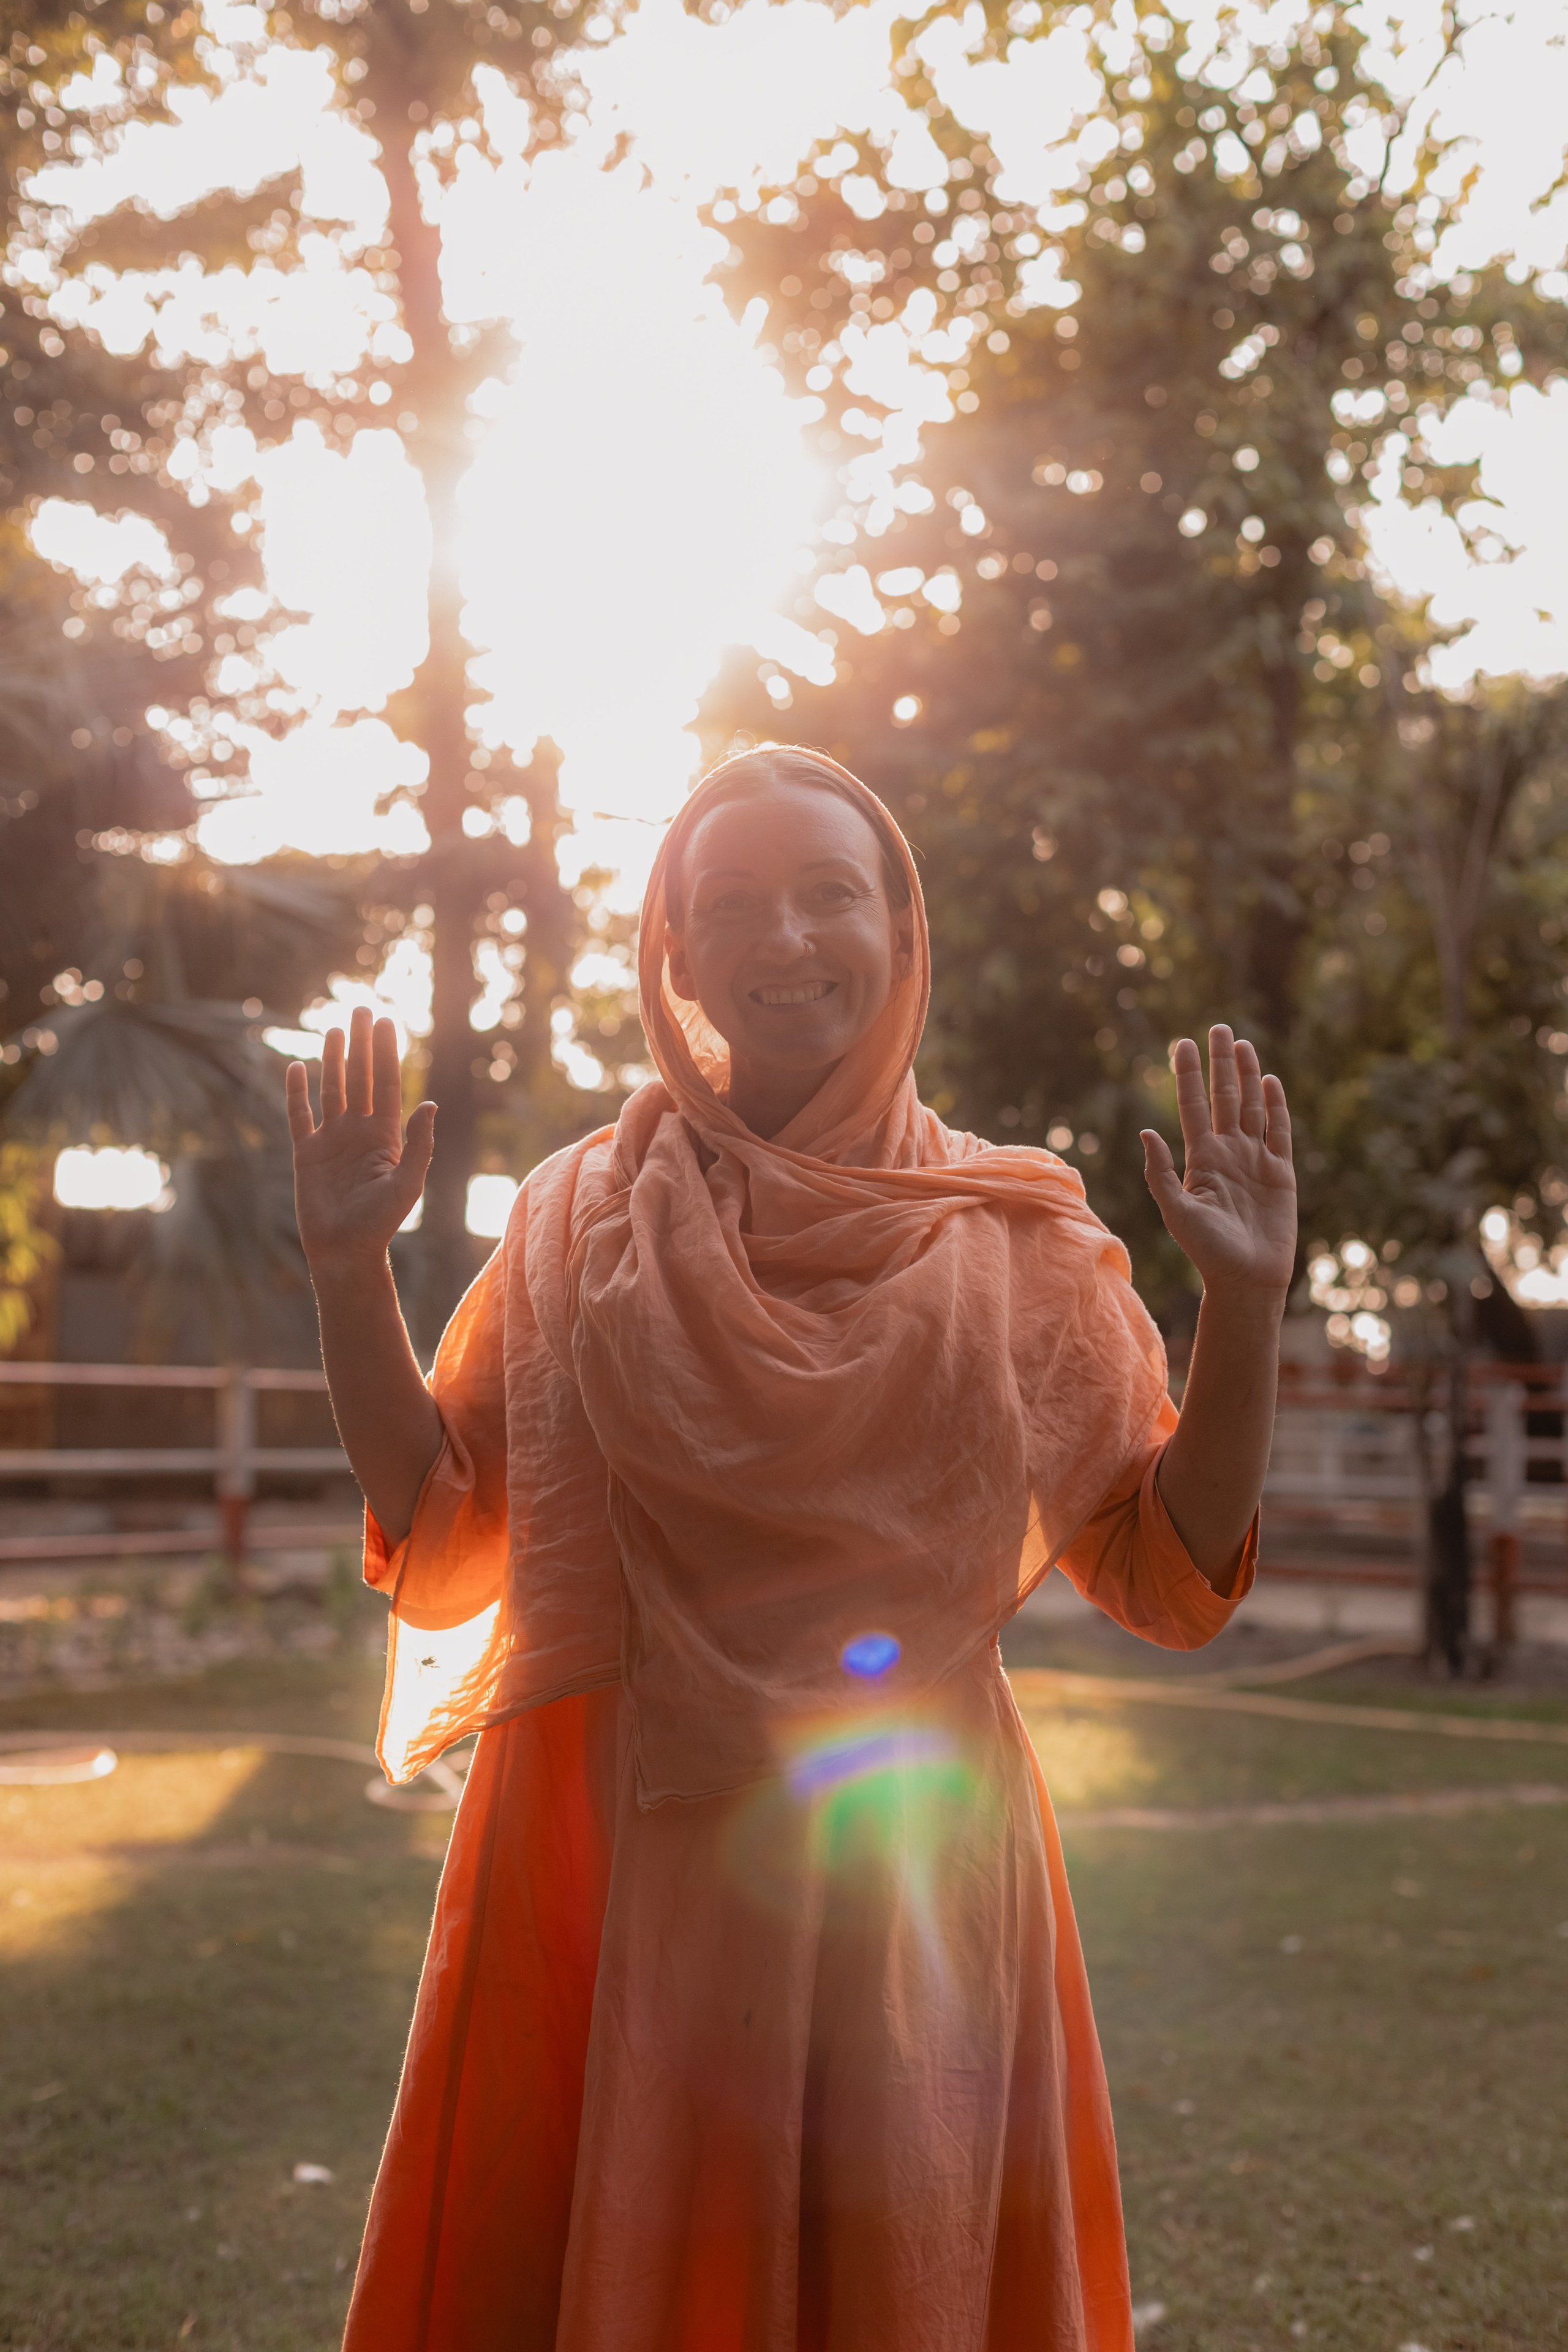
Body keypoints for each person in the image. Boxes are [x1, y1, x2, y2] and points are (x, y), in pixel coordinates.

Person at [287, 747, 1296, 2352]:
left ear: (900, 925)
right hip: (604, 1863)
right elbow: (444, 1534)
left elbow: (1167, 1576)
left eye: (831, 893)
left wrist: (1246, 1307)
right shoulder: (570, 1223)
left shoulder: (1015, 1242)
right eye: (734, 904)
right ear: (673, 952)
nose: (788, 939)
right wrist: (351, 1275)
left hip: (905, 1879)